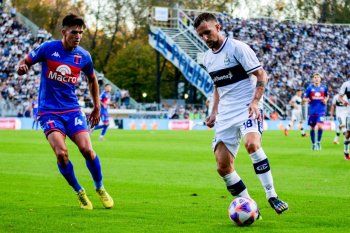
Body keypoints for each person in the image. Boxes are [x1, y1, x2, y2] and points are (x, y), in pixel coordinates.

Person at [16, 14, 114, 210]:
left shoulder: (84, 56)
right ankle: (79, 191)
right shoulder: (48, 48)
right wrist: (22, 67)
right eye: (73, 32)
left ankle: (100, 187)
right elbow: (25, 61)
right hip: (49, 112)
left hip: (72, 110)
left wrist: (96, 106)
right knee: (62, 153)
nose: (77, 36)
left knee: (87, 150)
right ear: (64, 32)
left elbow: (92, 79)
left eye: (80, 32)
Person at [194, 13, 288, 215]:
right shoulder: (208, 58)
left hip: (247, 107)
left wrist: (255, 101)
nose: (205, 38)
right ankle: (249, 205)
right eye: (201, 35)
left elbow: (261, 74)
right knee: (223, 167)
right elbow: (218, 87)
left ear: (218, 27)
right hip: (226, 113)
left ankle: (272, 195)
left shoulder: (238, 48)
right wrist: (213, 113)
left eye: (208, 33)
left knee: (252, 144)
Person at [303, 73, 328, 151]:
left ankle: (318, 142)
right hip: (312, 111)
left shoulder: (324, 88)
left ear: (320, 79)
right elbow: (304, 98)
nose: (316, 79)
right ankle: (313, 144)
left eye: (318, 77)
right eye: (315, 77)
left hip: (321, 110)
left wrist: (326, 100)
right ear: (313, 79)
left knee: (320, 126)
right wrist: (307, 100)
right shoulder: (309, 88)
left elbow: (327, 96)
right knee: (312, 128)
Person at [338, 80, 350, 160]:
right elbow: (340, 97)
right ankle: (346, 152)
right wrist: (344, 102)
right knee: (348, 133)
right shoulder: (346, 84)